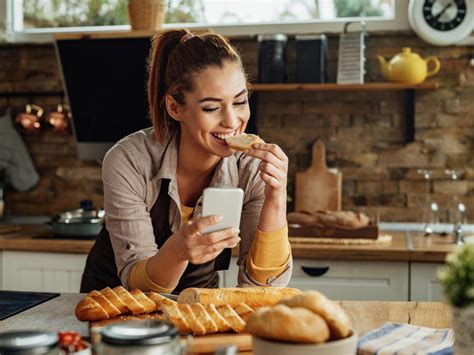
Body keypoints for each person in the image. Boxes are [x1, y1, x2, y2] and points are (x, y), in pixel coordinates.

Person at [80, 29, 292, 294]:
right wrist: (179, 250)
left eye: (239, 102)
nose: (232, 121)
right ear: (175, 108)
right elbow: (138, 285)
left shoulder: (251, 169)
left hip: (197, 302)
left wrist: (276, 196)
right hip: (115, 304)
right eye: (212, 108)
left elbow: (262, 288)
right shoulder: (129, 161)